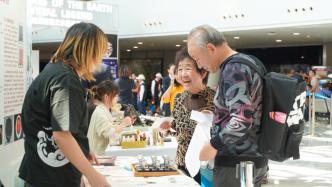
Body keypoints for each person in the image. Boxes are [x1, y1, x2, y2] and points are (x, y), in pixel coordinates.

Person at [19, 22, 111, 187]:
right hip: (51, 178)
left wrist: (82, 150)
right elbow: (62, 135)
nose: (101, 58)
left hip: (44, 172)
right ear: (90, 50)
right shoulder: (66, 80)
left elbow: (59, 126)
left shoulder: (55, 70)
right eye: (101, 51)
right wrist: (93, 176)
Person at [187, 25, 268, 187]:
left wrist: (213, 144)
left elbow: (241, 119)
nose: (200, 65)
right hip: (255, 159)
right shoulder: (251, 62)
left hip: (236, 165)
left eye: (197, 58)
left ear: (210, 48)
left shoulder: (234, 68)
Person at [160, 47, 215, 184]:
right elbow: (181, 131)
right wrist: (169, 128)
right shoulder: (179, 98)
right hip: (182, 164)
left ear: (202, 72)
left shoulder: (214, 99)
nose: (183, 74)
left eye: (188, 68)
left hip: (206, 167)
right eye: (180, 69)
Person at [88, 80, 134, 155]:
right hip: (96, 156)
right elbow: (111, 134)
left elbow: (110, 128)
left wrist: (123, 123)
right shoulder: (100, 113)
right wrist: (123, 124)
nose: (117, 99)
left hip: (97, 154)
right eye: (115, 96)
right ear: (106, 97)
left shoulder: (102, 110)